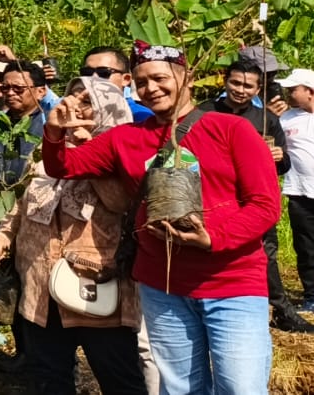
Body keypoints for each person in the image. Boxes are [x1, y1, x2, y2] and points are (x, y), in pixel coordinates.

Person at [42, 41, 280, 395]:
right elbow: (63, 166)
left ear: (188, 78)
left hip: (232, 282)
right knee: (180, 387)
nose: (150, 88)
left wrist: (213, 238)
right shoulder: (126, 138)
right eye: (141, 82)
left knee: (240, 387)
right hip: (163, 285)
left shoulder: (232, 129)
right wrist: (54, 133)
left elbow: (264, 205)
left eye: (159, 78)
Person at [0, 76, 146, 395]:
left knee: (118, 377)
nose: (74, 105)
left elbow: (120, 201)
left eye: (86, 101)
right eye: (72, 98)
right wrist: (4, 234)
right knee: (49, 377)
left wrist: (89, 147)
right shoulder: (46, 150)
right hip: (40, 285)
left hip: (95, 284)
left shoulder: (124, 150)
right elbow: (22, 201)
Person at [196, 58, 308, 332]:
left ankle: (281, 310)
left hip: (254, 199)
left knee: (266, 252)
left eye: (248, 86)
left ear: (258, 90)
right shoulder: (203, 113)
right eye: (235, 83)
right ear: (225, 82)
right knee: (207, 251)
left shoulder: (266, 120)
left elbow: (283, 165)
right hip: (212, 198)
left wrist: (280, 157)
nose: (240, 90)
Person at [277, 67, 314, 316]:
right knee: (306, 246)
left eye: (293, 89)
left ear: (309, 91)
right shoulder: (286, 119)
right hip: (300, 192)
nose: (288, 93)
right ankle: (312, 295)